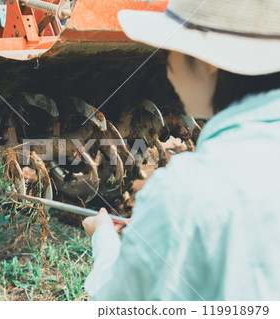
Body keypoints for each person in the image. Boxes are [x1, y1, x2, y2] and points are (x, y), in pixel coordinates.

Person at [82, 0, 280, 300]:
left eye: (169, 51)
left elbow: (117, 302)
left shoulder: (185, 194)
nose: (168, 68)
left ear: (208, 62)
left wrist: (103, 238)